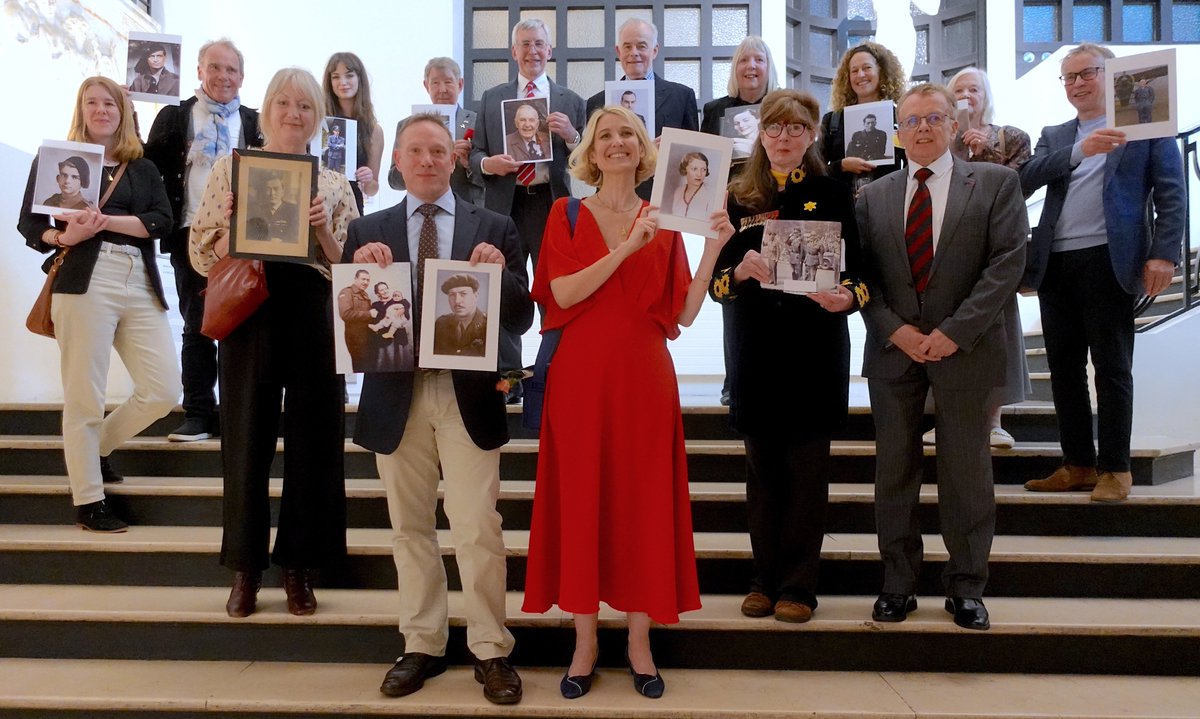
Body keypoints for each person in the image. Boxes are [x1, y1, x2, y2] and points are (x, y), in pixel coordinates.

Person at [522, 105, 733, 700]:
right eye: (605, 135)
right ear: (590, 150)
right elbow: (561, 293)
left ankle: (640, 641)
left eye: (627, 136)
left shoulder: (666, 220)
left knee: (642, 503)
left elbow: (683, 314)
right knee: (583, 498)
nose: (616, 143)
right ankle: (584, 642)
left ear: (645, 152)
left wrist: (714, 247)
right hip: (580, 376)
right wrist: (623, 249)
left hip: (644, 376)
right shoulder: (565, 213)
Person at [343, 113, 533, 705]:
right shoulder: (366, 230)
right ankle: (422, 641)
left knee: (478, 525)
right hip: (395, 393)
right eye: (414, 151)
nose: (426, 160)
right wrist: (358, 277)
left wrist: (499, 278)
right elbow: (351, 321)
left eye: (437, 151)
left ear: (453, 159)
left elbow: (523, 316)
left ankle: (490, 648)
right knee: (410, 526)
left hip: (468, 393)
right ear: (397, 161)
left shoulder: (495, 226)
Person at [856, 83, 1027, 632]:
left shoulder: (997, 183)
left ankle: (967, 585)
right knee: (895, 469)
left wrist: (955, 332)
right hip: (894, 350)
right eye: (912, 121)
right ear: (898, 133)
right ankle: (898, 583)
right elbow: (863, 279)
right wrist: (895, 330)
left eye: (934, 118)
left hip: (967, 349)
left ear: (954, 126)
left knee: (966, 470)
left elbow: (1006, 263)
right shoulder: (873, 196)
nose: (923, 128)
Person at [189, 67, 359, 619]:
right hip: (250, 305)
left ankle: (299, 568)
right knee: (245, 438)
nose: (294, 113)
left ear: (318, 117)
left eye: (306, 106)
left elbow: (353, 268)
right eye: (284, 103)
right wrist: (233, 229)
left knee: (314, 442)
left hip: (312, 308)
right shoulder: (231, 170)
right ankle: (245, 568)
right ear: (266, 110)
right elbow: (199, 251)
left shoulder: (333, 183)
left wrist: (323, 233)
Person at [711, 88, 868, 624]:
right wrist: (736, 274)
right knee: (762, 474)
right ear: (760, 133)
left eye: (795, 129)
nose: (783, 138)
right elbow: (714, 285)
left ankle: (799, 587)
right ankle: (762, 580)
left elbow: (861, 274)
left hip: (814, 351)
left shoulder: (834, 191)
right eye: (774, 128)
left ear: (811, 135)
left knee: (806, 474)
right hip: (755, 351)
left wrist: (847, 297)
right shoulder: (736, 195)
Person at [1020, 43, 1185, 503]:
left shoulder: (1144, 124)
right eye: (1068, 78)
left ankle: (1116, 468)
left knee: (1111, 368)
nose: (1076, 84)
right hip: (1055, 263)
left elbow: (1172, 191)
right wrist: (1078, 149)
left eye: (1086, 74)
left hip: (1110, 259)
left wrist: (1163, 254)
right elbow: (1025, 177)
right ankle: (1077, 464)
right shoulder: (1055, 134)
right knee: (1063, 370)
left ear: (1113, 75)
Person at [18, 76, 181, 532]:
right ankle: (89, 499)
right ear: (81, 110)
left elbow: (161, 222)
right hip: (83, 280)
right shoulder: (55, 160)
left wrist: (105, 220)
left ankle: (99, 448)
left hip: (138, 278)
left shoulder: (143, 167)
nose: (100, 109)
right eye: (91, 102)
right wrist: (62, 236)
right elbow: (29, 224)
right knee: (85, 397)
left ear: (123, 111)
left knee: (164, 388)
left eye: (109, 102)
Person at [144, 38, 263, 443]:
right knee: (198, 325)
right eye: (215, 67)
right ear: (199, 71)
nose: (223, 76)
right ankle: (198, 412)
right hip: (191, 235)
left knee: (242, 326)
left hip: (247, 240)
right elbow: (147, 167)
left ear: (242, 76)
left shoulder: (255, 121)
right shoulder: (176, 117)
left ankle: (237, 413)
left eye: (231, 69)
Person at [470, 18, 585, 401]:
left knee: (556, 291)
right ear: (513, 51)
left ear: (549, 51)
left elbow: (588, 161)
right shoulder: (491, 98)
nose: (532, 51)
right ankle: (509, 381)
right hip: (505, 206)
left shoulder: (571, 101)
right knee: (504, 291)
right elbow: (474, 155)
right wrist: (490, 165)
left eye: (539, 44)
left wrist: (572, 136)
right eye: (524, 44)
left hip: (551, 207)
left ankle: (554, 373)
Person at [921, 66, 1034, 449]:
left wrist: (984, 150)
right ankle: (946, 417)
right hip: (945, 252)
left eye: (974, 88)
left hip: (994, 250)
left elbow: (1020, 186)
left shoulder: (1012, 137)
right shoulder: (938, 142)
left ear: (986, 95)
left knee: (997, 332)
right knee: (942, 327)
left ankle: (995, 420)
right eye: (960, 91)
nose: (968, 95)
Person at [701, 35, 776, 407]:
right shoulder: (715, 110)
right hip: (728, 212)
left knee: (774, 289)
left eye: (758, 60)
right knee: (731, 293)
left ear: (767, 66)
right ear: (735, 68)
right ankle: (735, 381)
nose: (751, 66)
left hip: (776, 209)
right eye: (744, 60)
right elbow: (702, 160)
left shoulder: (780, 106)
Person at [584, 18, 699, 198]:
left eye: (641, 46)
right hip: (612, 199)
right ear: (618, 51)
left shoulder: (681, 96)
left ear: (654, 50)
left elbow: (694, 155)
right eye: (627, 47)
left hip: (667, 198)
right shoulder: (598, 102)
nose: (634, 53)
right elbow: (593, 160)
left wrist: (669, 150)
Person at [389, 57, 483, 205]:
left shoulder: (477, 122)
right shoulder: (406, 126)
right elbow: (394, 181)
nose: (442, 90)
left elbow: (491, 182)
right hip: (421, 209)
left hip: (467, 210)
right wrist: (412, 160)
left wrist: (468, 164)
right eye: (435, 83)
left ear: (460, 84)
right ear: (426, 86)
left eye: (448, 82)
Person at [820, 42, 908, 195]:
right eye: (854, 70)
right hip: (842, 208)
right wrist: (841, 165)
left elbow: (913, 166)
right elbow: (816, 168)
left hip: (888, 204)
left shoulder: (901, 116)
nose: (860, 75)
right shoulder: (832, 120)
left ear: (881, 72)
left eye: (867, 68)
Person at [323, 51, 383, 214]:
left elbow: (372, 190)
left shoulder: (373, 129)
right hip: (320, 205)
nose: (343, 82)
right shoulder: (320, 122)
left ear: (359, 79)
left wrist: (368, 179)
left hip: (352, 207)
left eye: (349, 75)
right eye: (335, 77)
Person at [432, 274, 488, 356]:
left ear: (476, 296)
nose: (457, 301)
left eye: (463, 294)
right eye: (452, 295)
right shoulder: (441, 324)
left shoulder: (488, 325)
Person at [338, 268, 372, 372]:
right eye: (363, 279)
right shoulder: (347, 292)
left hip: (367, 337)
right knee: (360, 367)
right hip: (355, 338)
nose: (365, 282)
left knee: (368, 367)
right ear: (355, 279)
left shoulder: (364, 294)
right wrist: (369, 314)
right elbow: (345, 314)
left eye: (367, 280)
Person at [669, 151, 713, 220]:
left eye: (703, 169)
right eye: (694, 169)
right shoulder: (678, 191)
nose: (699, 174)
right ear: (685, 169)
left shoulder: (710, 195)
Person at [259, 174, 299, 242]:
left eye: (276, 189)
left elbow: (296, 236)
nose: (272, 193)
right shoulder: (258, 210)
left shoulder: (294, 210)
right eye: (268, 189)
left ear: (283, 191)